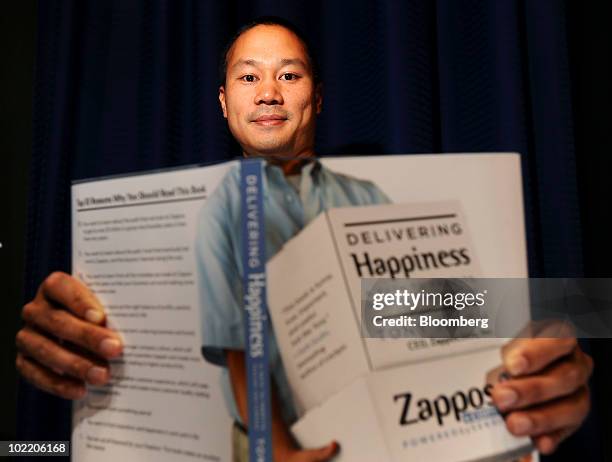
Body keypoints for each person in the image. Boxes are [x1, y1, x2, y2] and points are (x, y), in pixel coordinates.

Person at [16, 16, 593, 462]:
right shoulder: (212, 207)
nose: (268, 92)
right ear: (224, 103)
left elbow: (424, 314)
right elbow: (236, 348)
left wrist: (553, 321)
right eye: (249, 77)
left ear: (315, 97)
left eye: (288, 75)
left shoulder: (367, 196)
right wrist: (282, 450)